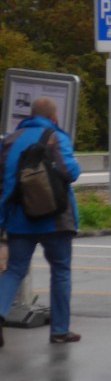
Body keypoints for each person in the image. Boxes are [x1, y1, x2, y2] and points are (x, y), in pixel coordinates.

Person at [0, 97, 83, 346]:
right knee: (60, 271)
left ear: (29, 115)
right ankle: (59, 331)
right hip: (55, 220)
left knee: (15, 269)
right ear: (53, 117)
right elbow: (72, 173)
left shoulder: (10, 140)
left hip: (18, 219)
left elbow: (4, 183)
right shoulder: (56, 137)